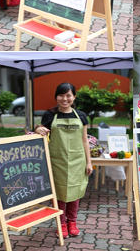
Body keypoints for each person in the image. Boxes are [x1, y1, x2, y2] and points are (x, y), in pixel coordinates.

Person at [33, 83, 92, 238]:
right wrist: (37, 128)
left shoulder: (82, 116)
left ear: (74, 97)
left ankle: (72, 222)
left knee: (75, 192)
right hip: (56, 161)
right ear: (56, 97)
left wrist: (89, 162)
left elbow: (85, 140)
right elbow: (40, 131)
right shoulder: (49, 115)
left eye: (68, 95)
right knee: (59, 193)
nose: (64, 99)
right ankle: (61, 223)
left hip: (77, 161)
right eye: (61, 95)